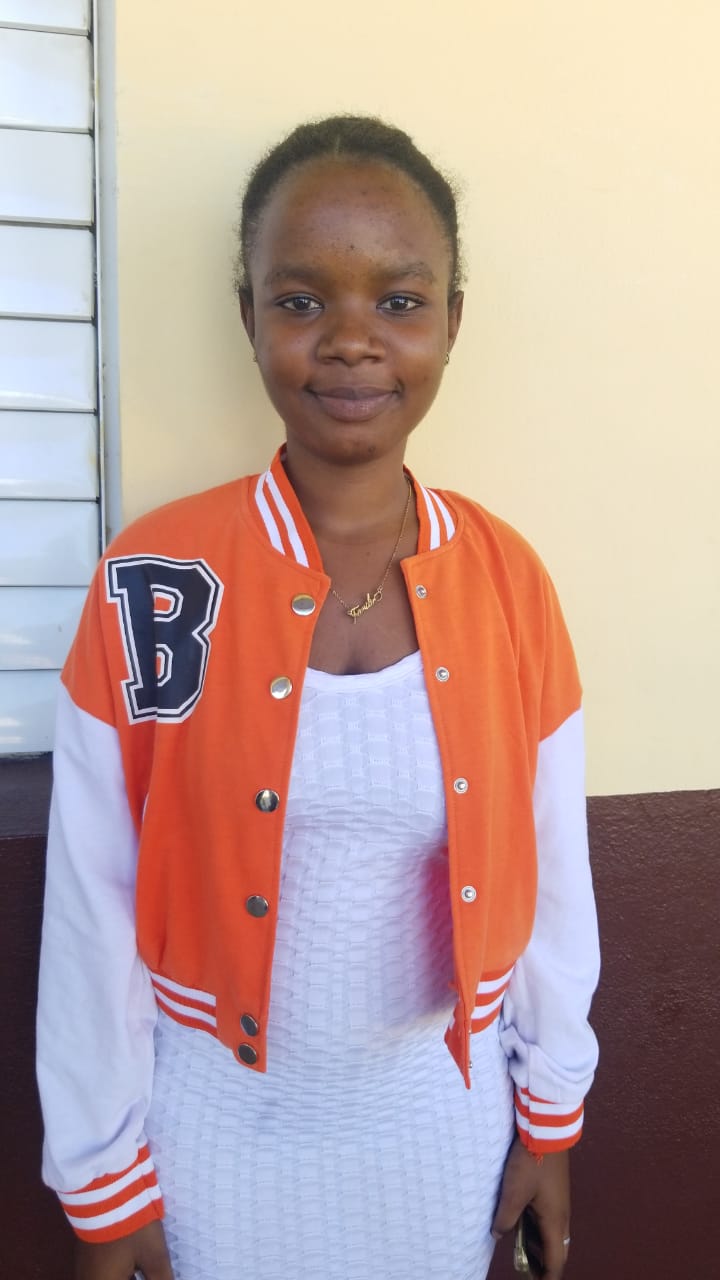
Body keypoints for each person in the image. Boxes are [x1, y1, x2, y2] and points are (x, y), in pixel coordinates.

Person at [37, 115, 600, 1280]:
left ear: (453, 320)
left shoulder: (510, 583)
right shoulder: (153, 579)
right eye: (300, 301)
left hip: (438, 1127)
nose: (351, 340)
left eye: (400, 301)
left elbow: (555, 879)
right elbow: (93, 897)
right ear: (247, 316)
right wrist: (103, 1179)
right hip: (209, 1131)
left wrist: (551, 1118)